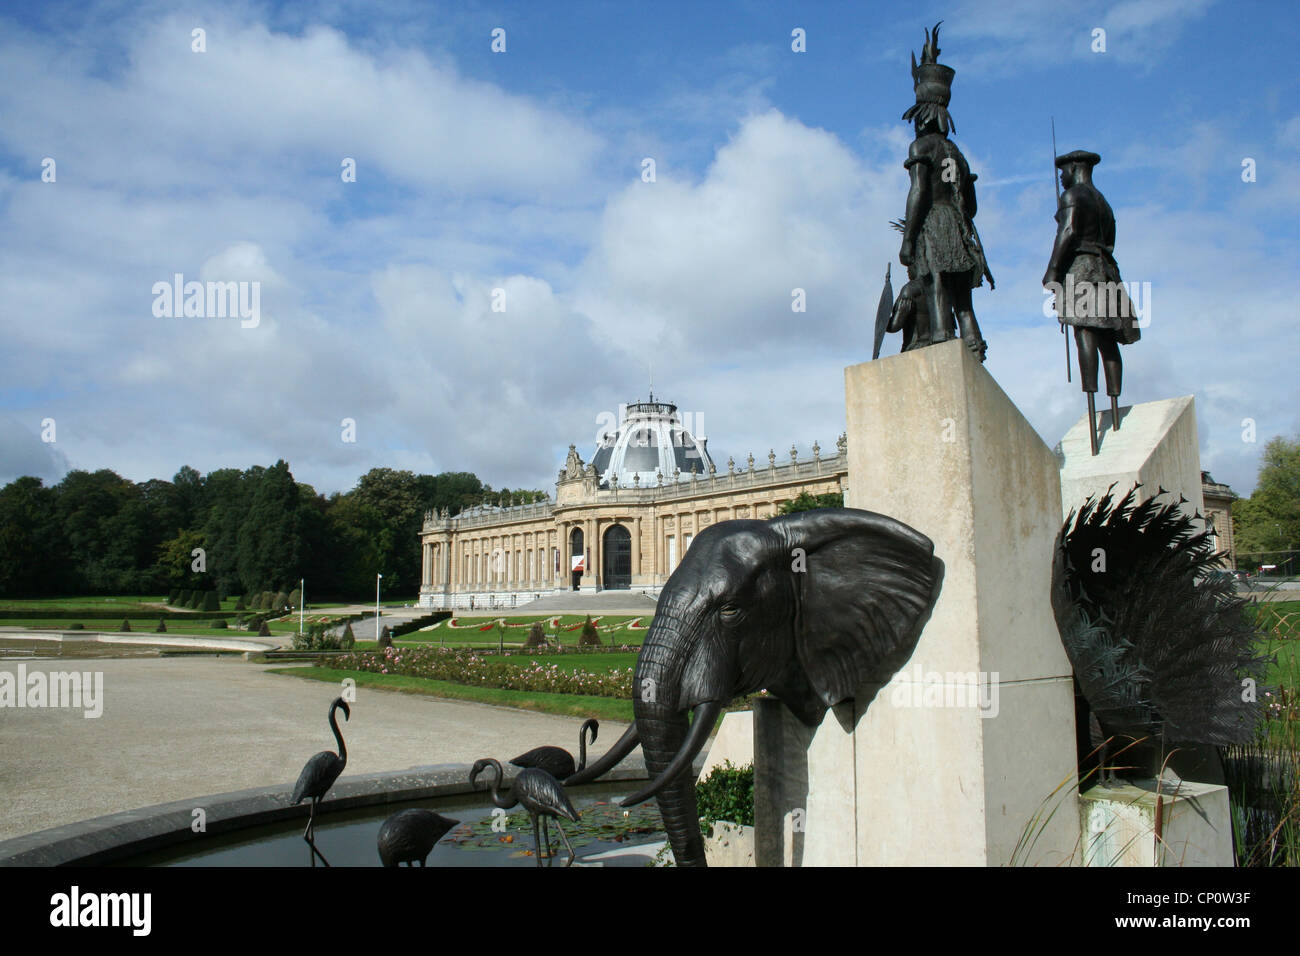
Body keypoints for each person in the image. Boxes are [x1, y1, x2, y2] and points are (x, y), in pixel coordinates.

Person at [897, 22, 992, 362]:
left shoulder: (921, 147)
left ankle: (942, 346)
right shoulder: (958, 154)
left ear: (923, 115)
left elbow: (918, 193)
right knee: (963, 302)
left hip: (934, 224)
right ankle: (974, 354)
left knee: (936, 284)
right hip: (960, 229)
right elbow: (972, 205)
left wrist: (908, 238)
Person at [1043, 149, 1140, 454]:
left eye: (1063, 172)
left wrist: (1053, 271)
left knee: (1085, 332)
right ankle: (1114, 407)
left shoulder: (1073, 196)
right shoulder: (1104, 203)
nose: (1061, 178)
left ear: (1074, 168)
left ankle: (1091, 399)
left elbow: (1068, 230)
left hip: (1082, 270)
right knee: (1108, 339)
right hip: (1107, 271)